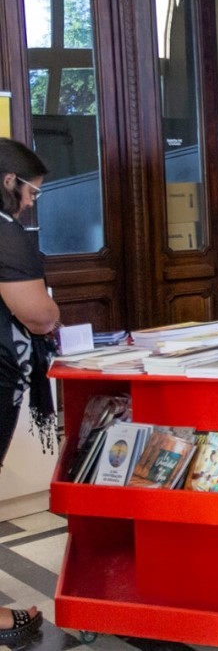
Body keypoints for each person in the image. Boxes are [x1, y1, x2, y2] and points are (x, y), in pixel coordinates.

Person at [0, 139, 55, 645]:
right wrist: (53, 313)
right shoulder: (5, 234)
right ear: (8, 182)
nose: (32, 201)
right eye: (31, 191)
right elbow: (37, 313)